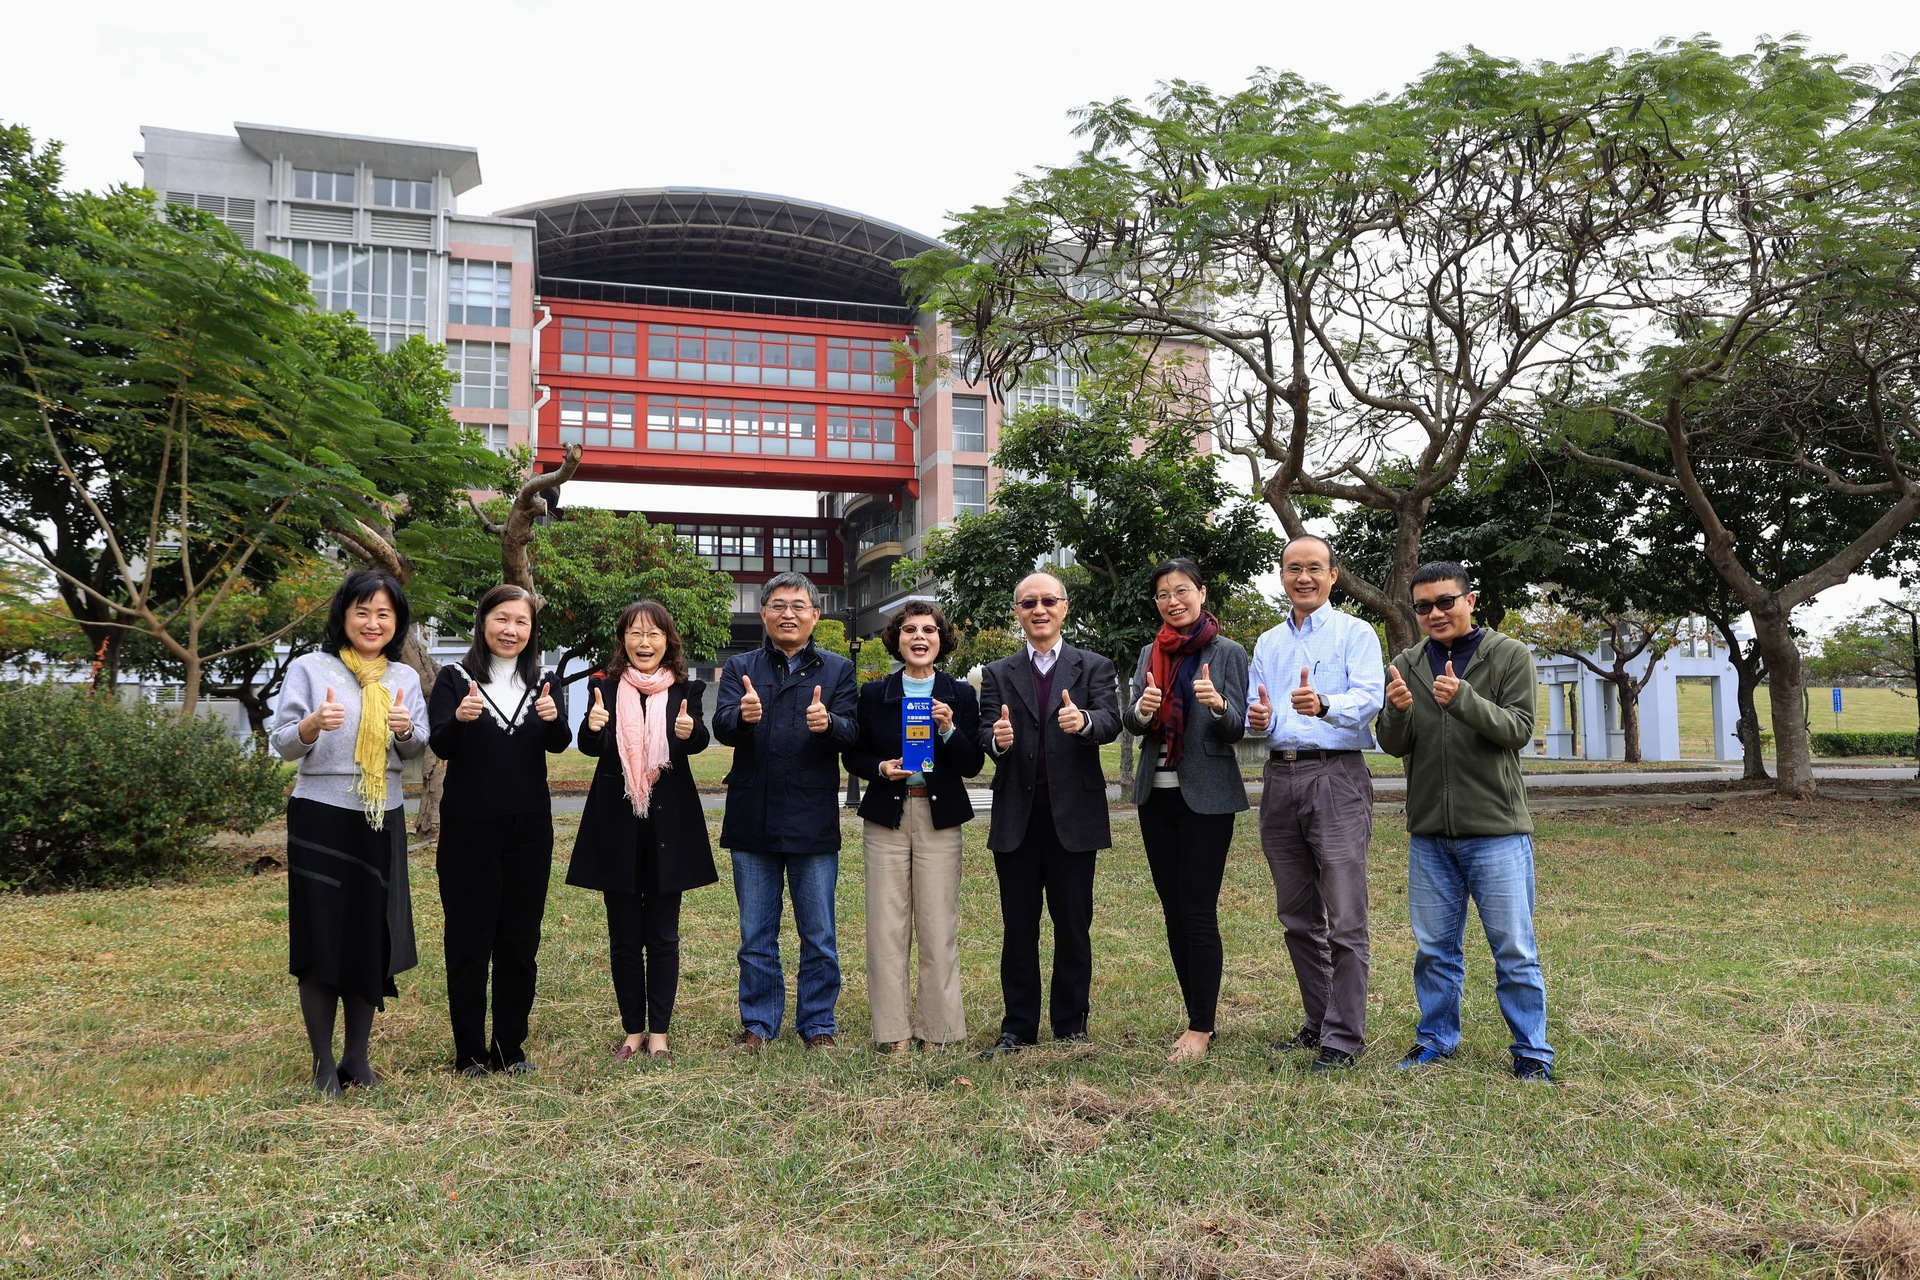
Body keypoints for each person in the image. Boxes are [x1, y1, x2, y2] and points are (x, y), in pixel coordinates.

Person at [1374, 561, 1554, 1083]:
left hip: (1496, 831)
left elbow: (1517, 730)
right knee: (1434, 949)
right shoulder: (1407, 663)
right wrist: (1399, 711)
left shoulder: (1508, 655)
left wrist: (1465, 700)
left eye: (1445, 601)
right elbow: (1393, 745)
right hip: (1430, 833)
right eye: (1423, 606)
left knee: (1514, 949)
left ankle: (1531, 1052)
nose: (1435, 613)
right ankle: (1435, 1039)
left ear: (1470, 601)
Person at [269, 569, 427, 1096]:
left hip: (382, 814)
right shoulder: (311, 669)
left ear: (397, 622)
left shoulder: (402, 678)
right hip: (321, 812)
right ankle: (321, 1064)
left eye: (384, 613)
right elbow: (284, 742)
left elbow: (416, 749)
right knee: (321, 935)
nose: (373, 622)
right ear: (343, 616)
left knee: (369, 935)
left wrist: (405, 730)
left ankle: (357, 1058)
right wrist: (312, 725)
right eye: (363, 611)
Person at [1245, 535, 1385, 1072]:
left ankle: (1344, 1038)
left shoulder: (1356, 633)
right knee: (1297, 914)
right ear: (1282, 576)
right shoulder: (1268, 643)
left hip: (1336, 778)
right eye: (1292, 569)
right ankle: (1317, 1020)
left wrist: (1324, 703)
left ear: (1333, 576)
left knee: (1345, 915)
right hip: (1279, 776)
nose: (1303, 577)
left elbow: (1369, 697)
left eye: (1314, 569)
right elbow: (1269, 713)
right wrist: (1264, 721)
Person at [426, 583, 570, 1078]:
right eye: (502, 619)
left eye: (522, 622)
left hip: (530, 828)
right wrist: (462, 720)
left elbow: (558, 741)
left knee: (519, 940)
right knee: (469, 940)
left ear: (532, 630)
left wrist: (553, 720)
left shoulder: (544, 682)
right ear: (483, 621)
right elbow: (441, 744)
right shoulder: (454, 677)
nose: (511, 630)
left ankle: (510, 1048)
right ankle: (469, 1053)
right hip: (469, 829)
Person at [977, 570, 1122, 1057]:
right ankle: (1017, 1026)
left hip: (1074, 818)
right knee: (1018, 928)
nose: (1039, 610)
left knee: (1073, 925)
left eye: (1048, 601)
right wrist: (995, 741)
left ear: (1064, 608)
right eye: (1028, 603)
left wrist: (1083, 721)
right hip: (1017, 818)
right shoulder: (998, 673)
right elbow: (983, 733)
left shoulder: (1094, 666)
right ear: (1017, 612)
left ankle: (1070, 1025)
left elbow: (1111, 720)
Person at [565, 601, 718, 1064]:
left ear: (668, 641)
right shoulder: (605, 689)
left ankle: (659, 1036)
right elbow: (591, 745)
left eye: (653, 634)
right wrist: (591, 728)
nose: (644, 642)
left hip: (668, 824)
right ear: (623, 640)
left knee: (664, 936)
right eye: (635, 633)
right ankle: (632, 1031)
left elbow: (698, 741)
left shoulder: (683, 689)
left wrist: (689, 732)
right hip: (617, 824)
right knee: (625, 937)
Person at [713, 573, 858, 1052]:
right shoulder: (741, 667)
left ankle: (818, 1025)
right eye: (778, 605)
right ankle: (758, 1024)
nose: (788, 614)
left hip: (812, 817)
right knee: (756, 935)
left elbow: (853, 733)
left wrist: (829, 724)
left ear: (816, 615)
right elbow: (722, 725)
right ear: (764, 613)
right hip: (752, 815)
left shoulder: (837, 669)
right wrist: (742, 717)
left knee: (818, 934)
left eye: (799, 605)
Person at [1120, 558, 1250, 1063]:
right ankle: (1194, 1010)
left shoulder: (1228, 652)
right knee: (1173, 910)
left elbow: (1236, 727)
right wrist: (1141, 712)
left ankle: (1202, 1026)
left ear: (1201, 592)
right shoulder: (1149, 652)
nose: (1172, 601)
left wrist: (1217, 705)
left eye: (1181, 591)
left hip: (1207, 797)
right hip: (1157, 795)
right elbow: (1133, 721)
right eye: (1162, 594)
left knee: (1197, 908)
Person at [844, 602, 985, 1052]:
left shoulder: (959, 695)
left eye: (929, 629)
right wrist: (881, 768)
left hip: (938, 818)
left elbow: (972, 763)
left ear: (941, 640)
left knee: (938, 926)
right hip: (887, 816)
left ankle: (937, 1031)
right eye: (910, 630)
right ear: (897, 639)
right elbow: (853, 755)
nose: (919, 637)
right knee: (886, 926)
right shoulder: (875, 695)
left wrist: (948, 730)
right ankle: (893, 1035)